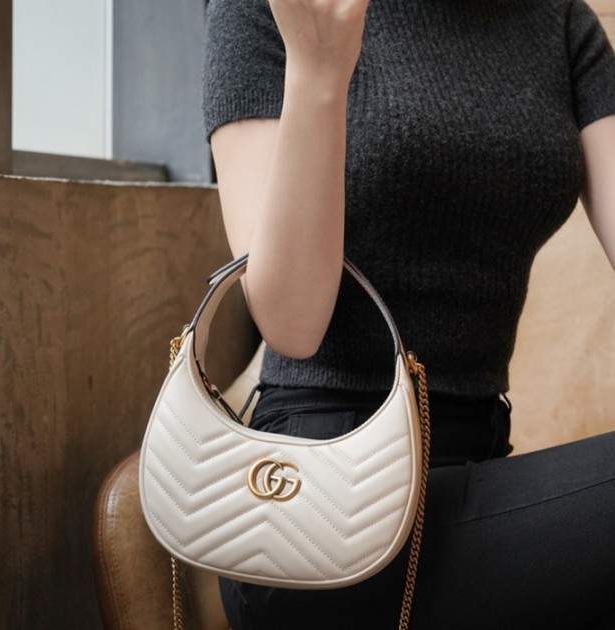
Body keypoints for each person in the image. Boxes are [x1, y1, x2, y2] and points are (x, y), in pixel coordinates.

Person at [201, 0, 615, 627]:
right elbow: (292, 325)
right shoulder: (274, 9)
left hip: (481, 475)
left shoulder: (555, 20)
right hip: (312, 502)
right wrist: (318, 71)